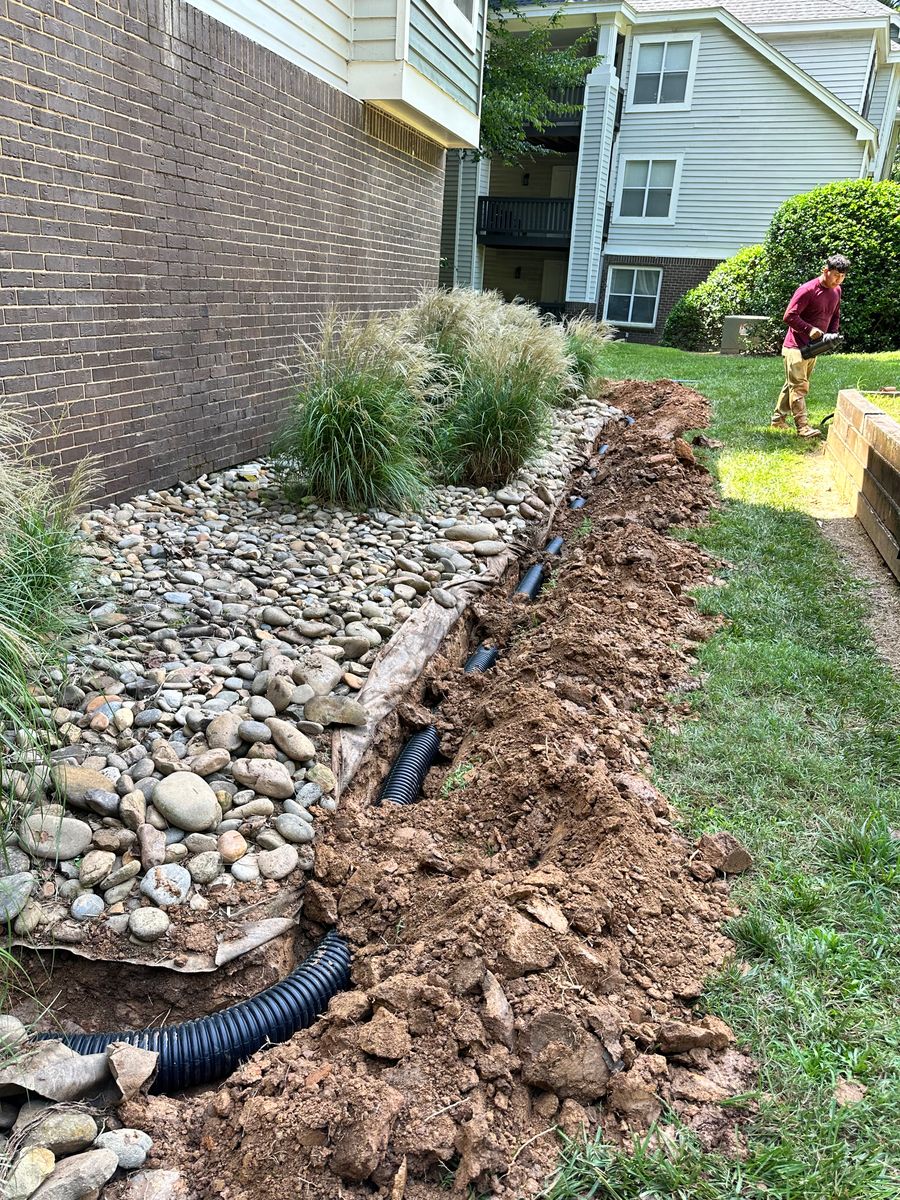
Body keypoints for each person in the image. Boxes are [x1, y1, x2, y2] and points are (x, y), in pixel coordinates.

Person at [771, 254, 849, 438]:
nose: (838, 280)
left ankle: (778, 420)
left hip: (813, 347)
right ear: (826, 271)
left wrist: (832, 334)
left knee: (792, 384)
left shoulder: (836, 290)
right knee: (799, 387)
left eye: (842, 277)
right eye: (836, 275)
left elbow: (835, 314)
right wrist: (808, 329)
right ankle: (803, 427)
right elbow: (789, 316)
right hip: (795, 346)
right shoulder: (807, 290)